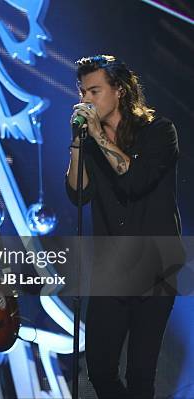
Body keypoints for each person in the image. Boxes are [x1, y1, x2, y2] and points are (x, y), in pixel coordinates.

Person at [66, 55, 180, 398]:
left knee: (141, 376)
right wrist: (77, 142)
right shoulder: (90, 140)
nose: (86, 99)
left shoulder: (159, 132)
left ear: (118, 90)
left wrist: (99, 137)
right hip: (111, 272)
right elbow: (77, 194)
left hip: (155, 270)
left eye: (95, 91)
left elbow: (134, 181)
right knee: (99, 370)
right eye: (83, 92)